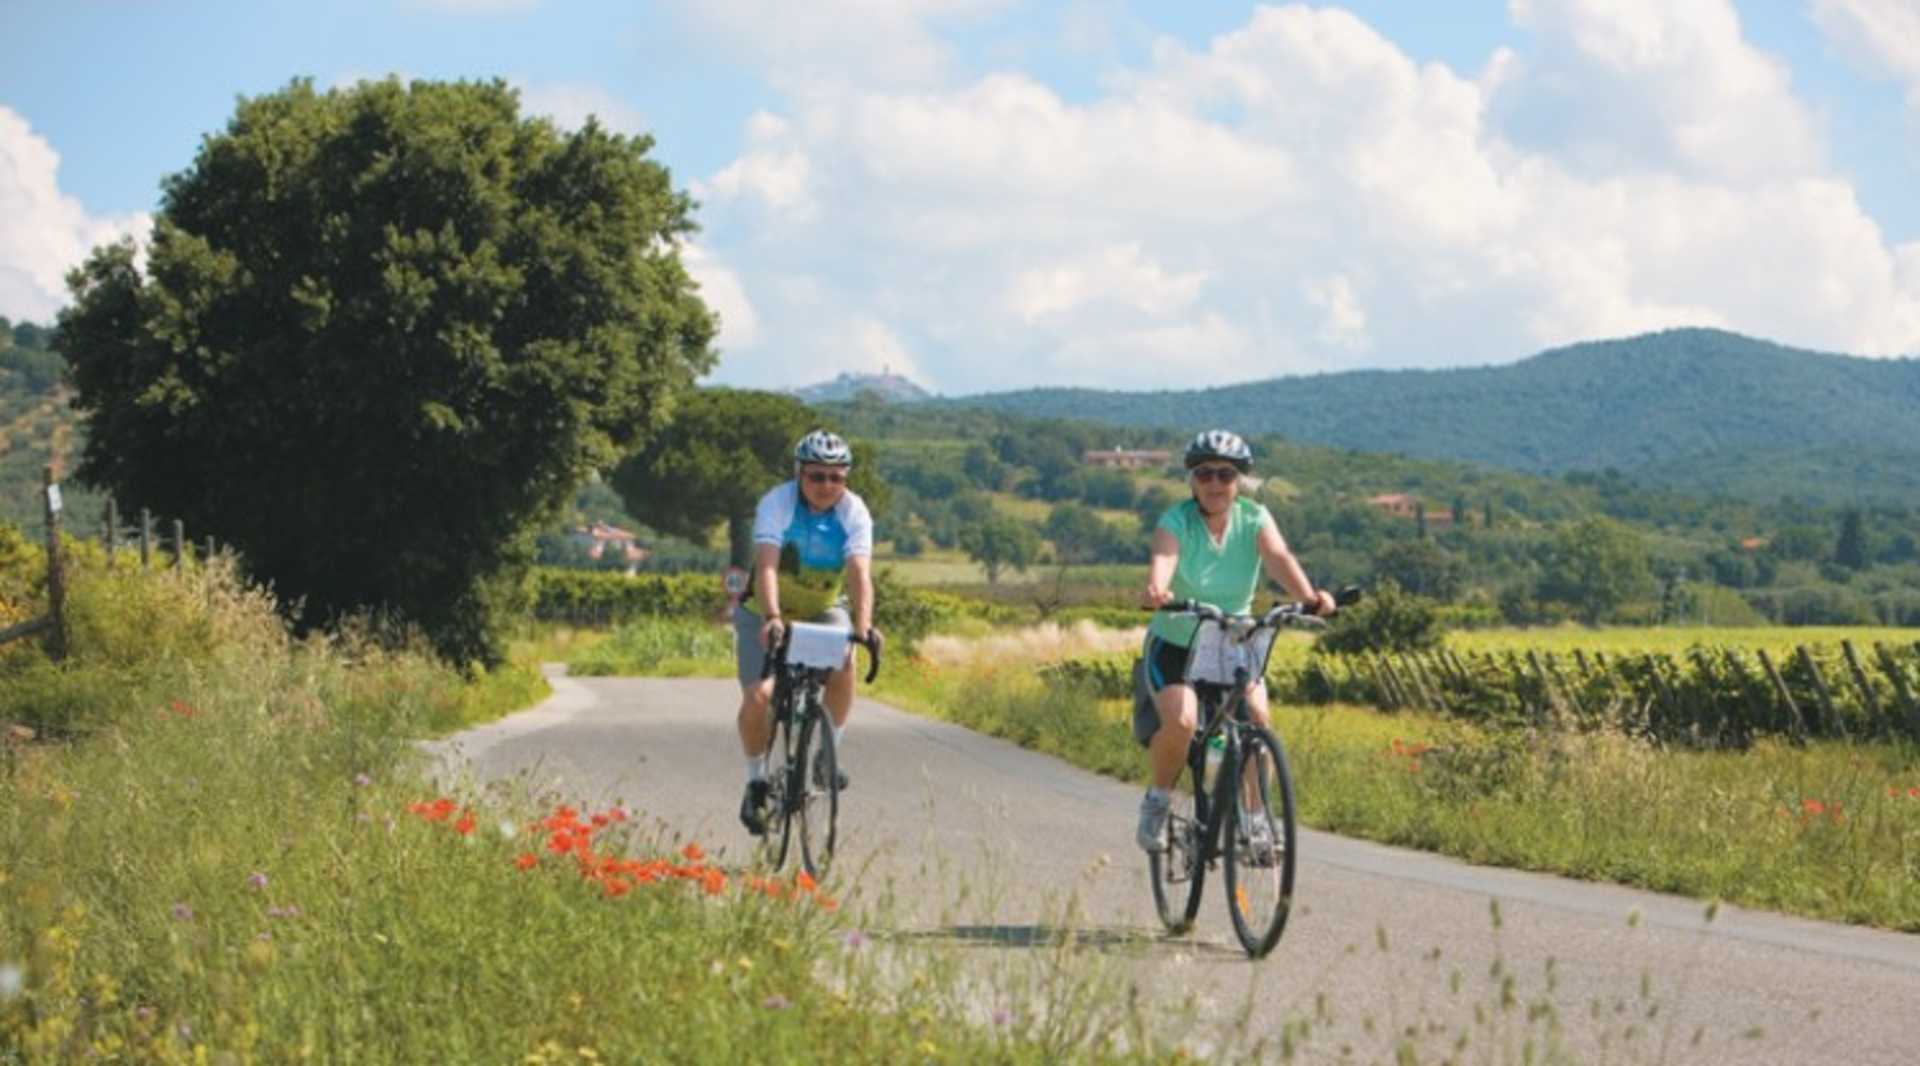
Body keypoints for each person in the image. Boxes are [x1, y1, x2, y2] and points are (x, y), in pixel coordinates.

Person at [1136, 429, 1333, 853]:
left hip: (1231, 640)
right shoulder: (1176, 520)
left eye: (1225, 475)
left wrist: (1310, 599)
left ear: (1238, 480)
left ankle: (1255, 819)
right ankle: (1157, 800)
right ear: (1192, 480)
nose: (1214, 484)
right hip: (1177, 644)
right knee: (1185, 723)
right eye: (1204, 474)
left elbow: (1278, 557)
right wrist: (1157, 589)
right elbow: (1164, 556)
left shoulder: (1255, 518)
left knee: (1258, 719)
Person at [736, 429, 879, 835]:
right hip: (764, 611)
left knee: (845, 658)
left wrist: (865, 626)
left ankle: (825, 754)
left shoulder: (853, 511)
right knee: (760, 697)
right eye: (817, 476)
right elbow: (766, 565)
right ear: (799, 474)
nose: (826, 486)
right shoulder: (777, 503)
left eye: (836, 477)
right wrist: (773, 615)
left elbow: (858, 572)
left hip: (821, 609)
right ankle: (756, 781)